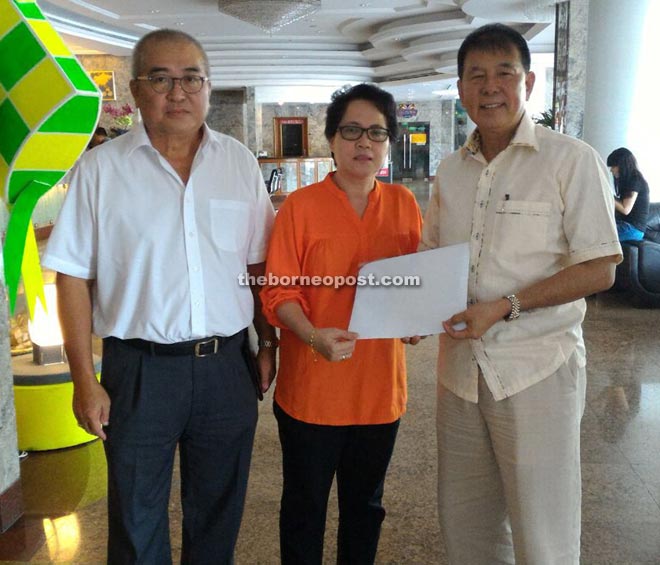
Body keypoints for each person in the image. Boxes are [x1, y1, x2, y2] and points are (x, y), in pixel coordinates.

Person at [43, 29, 276, 564]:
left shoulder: (238, 163)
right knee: (135, 516)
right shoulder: (101, 170)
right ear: (135, 90)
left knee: (220, 510)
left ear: (208, 87)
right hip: (138, 372)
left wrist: (268, 341)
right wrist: (84, 380)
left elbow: (259, 264)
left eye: (191, 78)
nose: (178, 92)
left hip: (225, 368)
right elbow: (72, 277)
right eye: (161, 79)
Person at [420, 24, 622, 564]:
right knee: (467, 525)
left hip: (537, 368)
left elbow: (601, 267)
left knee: (543, 530)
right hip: (459, 373)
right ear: (460, 89)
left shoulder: (570, 160)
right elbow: (433, 256)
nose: (491, 87)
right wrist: (413, 309)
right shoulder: (450, 171)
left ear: (527, 82)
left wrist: (507, 307)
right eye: (476, 75)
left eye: (504, 73)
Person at [261, 83, 422, 565]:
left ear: (389, 143)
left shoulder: (403, 204)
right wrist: (312, 336)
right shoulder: (301, 208)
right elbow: (279, 291)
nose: (364, 143)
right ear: (331, 139)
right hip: (312, 390)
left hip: (378, 390)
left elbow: (415, 284)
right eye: (352, 131)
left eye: (377, 132)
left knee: (366, 507)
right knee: (304, 508)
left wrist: (417, 319)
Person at [607, 147, 650, 241]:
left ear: (622, 165)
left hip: (633, 229)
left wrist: (607, 194)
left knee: (598, 235)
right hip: (627, 226)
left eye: (613, 166)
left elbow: (625, 209)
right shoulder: (630, 180)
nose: (611, 170)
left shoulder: (635, 180)